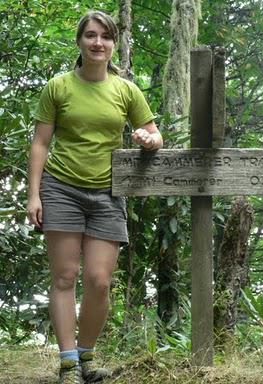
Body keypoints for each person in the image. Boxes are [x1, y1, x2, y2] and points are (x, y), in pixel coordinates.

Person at [26, 10, 163, 384]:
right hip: (61, 188)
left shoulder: (125, 89)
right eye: (90, 35)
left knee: (100, 280)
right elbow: (40, 143)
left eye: (104, 36)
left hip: (107, 192)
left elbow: (153, 133)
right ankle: (68, 362)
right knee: (65, 276)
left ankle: (86, 355)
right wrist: (33, 195)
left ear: (113, 43)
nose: (97, 42)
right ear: (80, 41)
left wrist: (148, 140)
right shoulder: (58, 86)